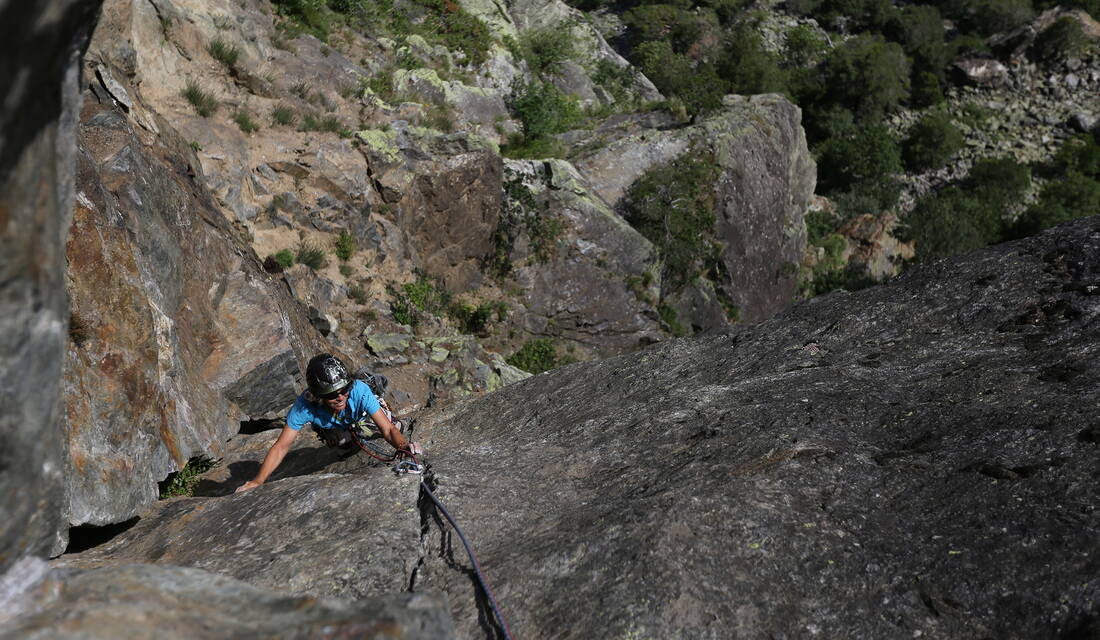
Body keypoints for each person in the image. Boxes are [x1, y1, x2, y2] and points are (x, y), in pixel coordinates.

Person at [235, 353, 422, 493]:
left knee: (380, 427)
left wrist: (403, 447)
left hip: (362, 416)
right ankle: (344, 436)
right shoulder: (304, 406)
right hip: (337, 424)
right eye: (332, 395)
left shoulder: (358, 390)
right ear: (317, 395)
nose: (340, 397)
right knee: (339, 444)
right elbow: (281, 447)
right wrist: (258, 481)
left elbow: (387, 429)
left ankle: (363, 427)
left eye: (343, 390)